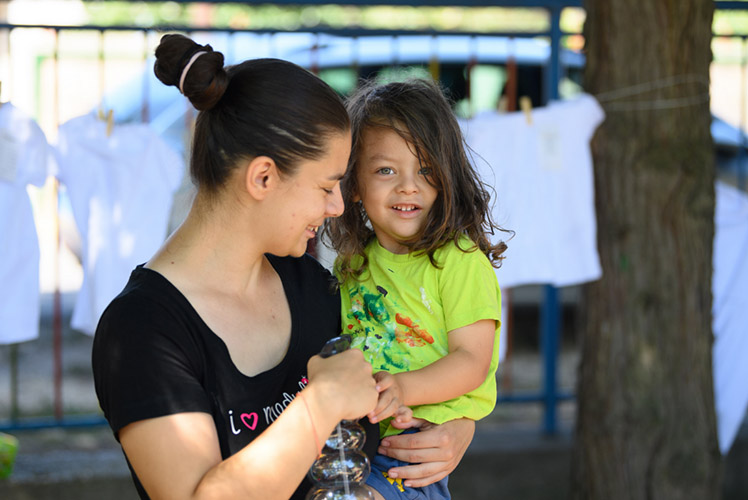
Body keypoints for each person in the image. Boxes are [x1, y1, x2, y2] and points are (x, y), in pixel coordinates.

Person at [92, 34, 475, 500]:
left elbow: (414, 367)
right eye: (326, 185)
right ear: (264, 177)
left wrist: (455, 428)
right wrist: (320, 404)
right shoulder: (142, 331)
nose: (338, 206)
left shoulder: (312, 286)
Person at [323, 78, 506, 500]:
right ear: (353, 186)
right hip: (353, 443)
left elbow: (472, 361)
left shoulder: (459, 260)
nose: (408, 186)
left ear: (447, 177)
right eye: (386, 170)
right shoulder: (351, 265)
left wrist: (403, 388)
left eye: (425, 170)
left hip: (413, 452)